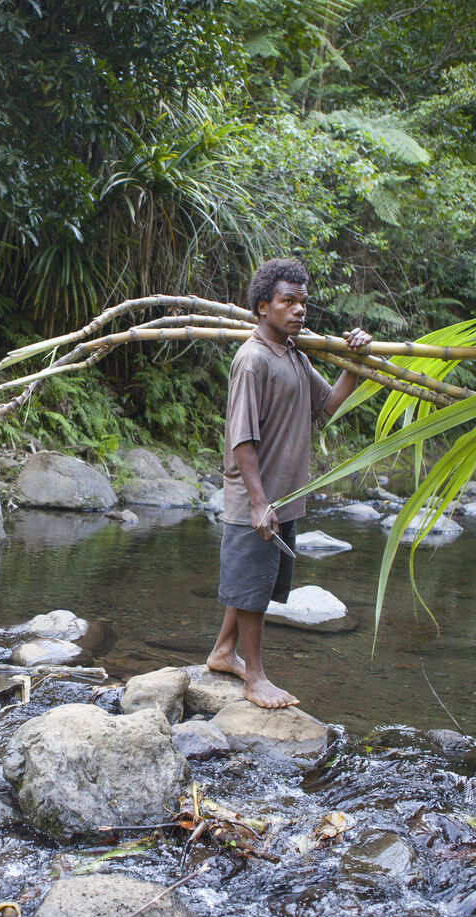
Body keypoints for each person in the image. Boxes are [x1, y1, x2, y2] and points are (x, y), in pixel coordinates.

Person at [207, 258, 372, 708]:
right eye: (288, 301)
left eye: (303, 302)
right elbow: (242, 439)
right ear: (264, 306)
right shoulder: (253, 360)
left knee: (254, 583)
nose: (299, 310)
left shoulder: (295, 356)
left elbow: (329, 405)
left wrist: (354, 362)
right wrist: (259, 503)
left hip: (284, 495)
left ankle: (224, 651)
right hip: (257, 498)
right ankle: (255, 678)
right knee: (252, 589)